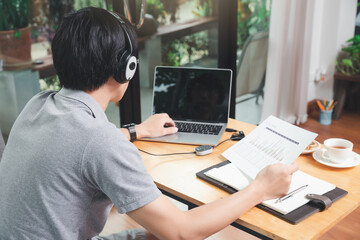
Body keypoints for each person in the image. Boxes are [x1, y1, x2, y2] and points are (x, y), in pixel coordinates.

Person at [0, 7, 298, 240]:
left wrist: (137, 130)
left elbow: (77, 144)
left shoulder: (38, 105)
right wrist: (260, 187)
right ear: (126, 68)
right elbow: (182, 231)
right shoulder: (101, 143)